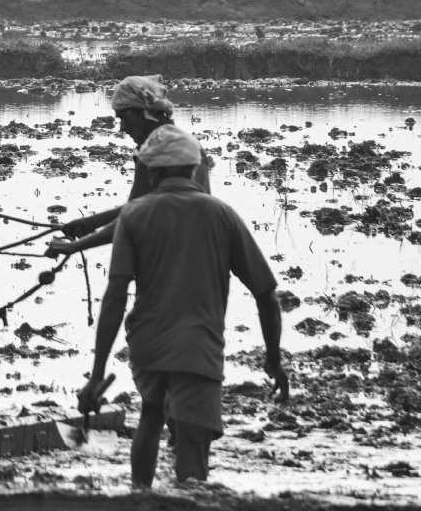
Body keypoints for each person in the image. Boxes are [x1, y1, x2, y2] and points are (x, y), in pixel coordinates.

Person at [78, 124, 289, 489]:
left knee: (151, 414)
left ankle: (139, 494)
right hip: (198, 347)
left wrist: (97, 374)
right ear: (195, 169)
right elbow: (266, 294)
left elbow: (115, 297)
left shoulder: (134, 215)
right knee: (192, 447)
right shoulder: (223, 215)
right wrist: (273, 357)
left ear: (153, 172)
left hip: (147, 344)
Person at [47, 74, 211, 259]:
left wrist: (75, 246)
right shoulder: (189, 145)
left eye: (123, 118)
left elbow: (135, 217)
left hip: (166, 261)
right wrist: (91, 223)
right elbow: (142, 207)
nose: (122, 127)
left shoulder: (154, 152)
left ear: (140, 112)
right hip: (200, 255)